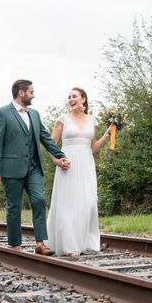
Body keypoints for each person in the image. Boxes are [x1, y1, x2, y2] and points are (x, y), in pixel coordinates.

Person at [0, 79, 71, 255]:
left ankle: (40, 243)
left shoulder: (34, 114)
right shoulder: (2, 113)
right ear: (21, 93)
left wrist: (60, 155)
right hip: (11, 168)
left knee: (39, 200)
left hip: (33, 167)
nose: (34, 94)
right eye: (31, 92)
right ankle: (15, 244)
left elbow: (45, 137)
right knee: (14, 206)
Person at [46, 87, 111, 258]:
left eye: (74, 96)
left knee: (88, 202)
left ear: (83, 99)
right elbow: (50, 144)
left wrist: (105, 136)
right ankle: (69, 246)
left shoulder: (92, 120)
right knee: (68, 205)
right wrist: (57, 161)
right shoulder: (63, 119)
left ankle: (87, 243)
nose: (70, 99)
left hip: (86, 165)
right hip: (68, 163)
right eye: (69, 97)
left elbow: (92, 147)